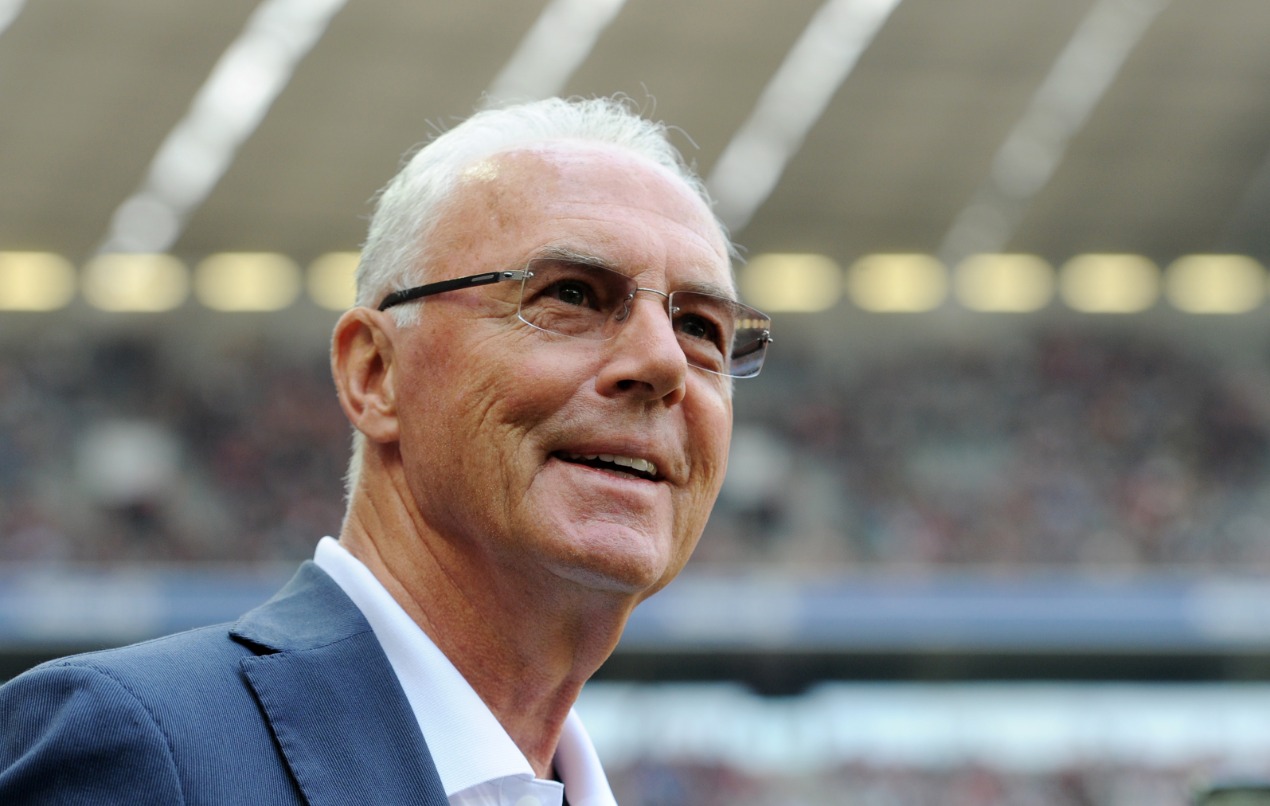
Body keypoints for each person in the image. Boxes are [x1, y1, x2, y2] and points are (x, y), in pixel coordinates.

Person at [0, 95, 772, 805]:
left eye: (700, 327)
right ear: (375, 374)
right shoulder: (142, 750)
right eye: (570, 294)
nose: (665, 363)